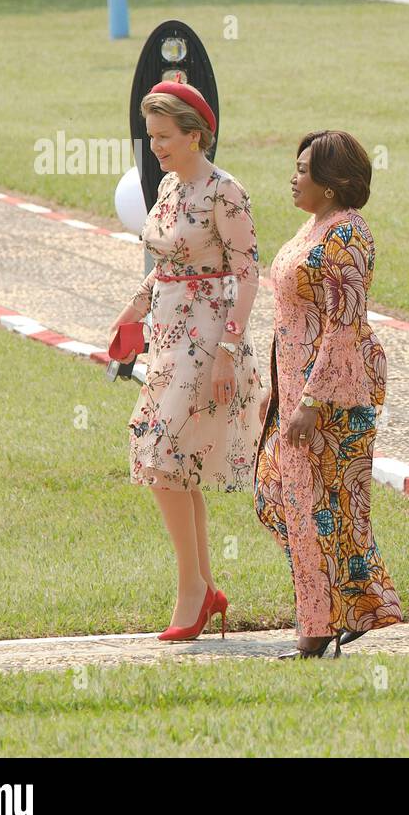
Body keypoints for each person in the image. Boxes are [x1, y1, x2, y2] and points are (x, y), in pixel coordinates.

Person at [109, 81, 265, 641]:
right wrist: (132, 311)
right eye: (151, 136)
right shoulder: (172, 185)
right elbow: (170, 262)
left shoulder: (226, 192)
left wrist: (228, 350)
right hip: (169, 334)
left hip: (208, 338)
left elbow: (247, 273)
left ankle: (193, 590)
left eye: (164, 136)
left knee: (160, 451)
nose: (154, 147)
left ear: (195, 135)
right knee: (173, 463)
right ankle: (203, 588)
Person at [254, 130, 402, 660]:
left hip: (331, 402)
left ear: (332, 185)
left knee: (320, 510)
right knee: (283, 500)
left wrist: (310, 404)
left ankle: (317, 629)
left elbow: (345, 326)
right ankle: (348, 607)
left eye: (302, 170)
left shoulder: (347, 237)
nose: (292, 178)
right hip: (294, 389)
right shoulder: (317, 225)